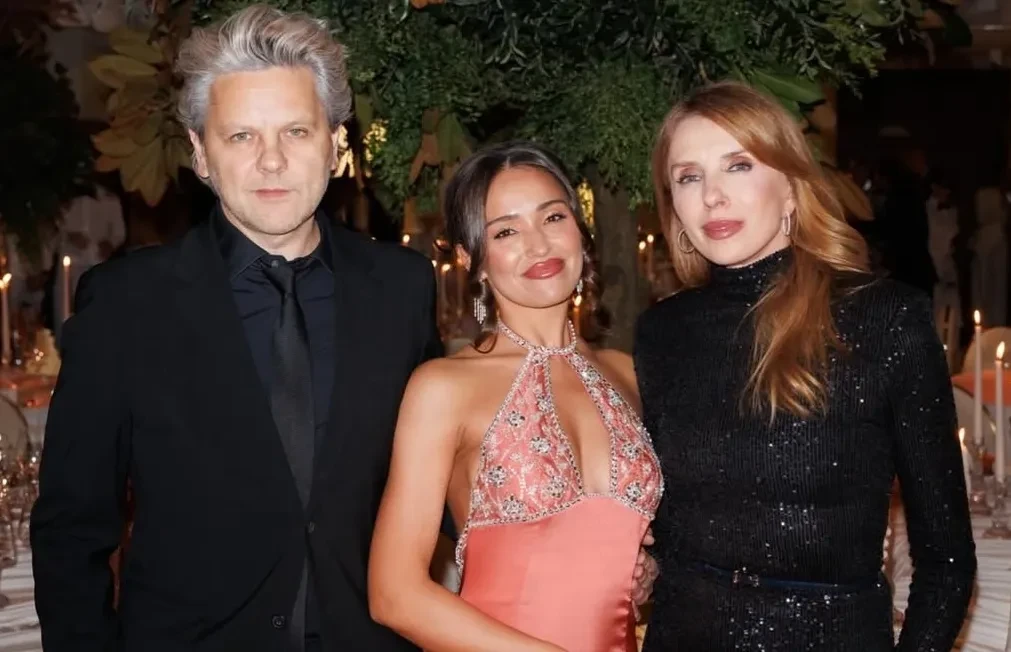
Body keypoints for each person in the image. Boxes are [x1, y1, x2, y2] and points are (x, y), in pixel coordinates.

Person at [31, 6, 441, 651]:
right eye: (242, 136)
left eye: (296, 131)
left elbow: (438, 487)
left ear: (335, 143)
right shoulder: (125, 306)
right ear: (201, 153)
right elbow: (71, 531)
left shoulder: (402, 290)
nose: (271, 161)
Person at [637, 82, 976, 651]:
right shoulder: (661, 332)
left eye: (738, 166)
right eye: (688, 177)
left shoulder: (885, 320)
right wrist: (646, 564)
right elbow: (680, 525)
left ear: (792, 189)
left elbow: (946, 559)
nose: (712, 196)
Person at [368, 142, 662, 652]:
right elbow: (394, 595)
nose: (538, 244)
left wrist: (649, 569)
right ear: (472, 259)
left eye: (553, 217)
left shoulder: (628, 374)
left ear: (579, 230)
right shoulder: (443, 387)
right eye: (506, 231)